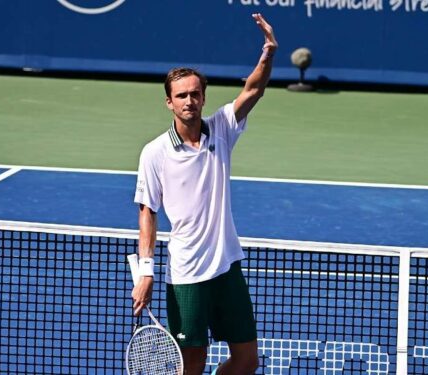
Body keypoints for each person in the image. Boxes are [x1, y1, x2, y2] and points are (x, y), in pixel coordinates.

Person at [132, 13, 277, 375]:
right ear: (169, 102)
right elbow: (147, 211)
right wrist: (146, 271)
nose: (189, 101)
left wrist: (268, 52)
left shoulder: (222, 129)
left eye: (195, 94)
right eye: (181, 95)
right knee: (192, 365)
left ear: (203, 96)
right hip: (187, 276)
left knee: (247, 360)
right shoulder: (154, 153)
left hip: (227, 267)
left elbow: (253, 90)